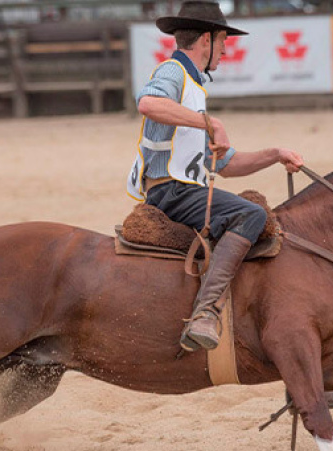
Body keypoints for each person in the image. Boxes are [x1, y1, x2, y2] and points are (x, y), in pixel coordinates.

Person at [127, 1, 304, 353]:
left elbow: (225, 165)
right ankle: (206, 312)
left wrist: (274, 155)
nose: (225, 52)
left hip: (182, 189)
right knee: (250, 214)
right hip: (172, 192)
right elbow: (147, 103)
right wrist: (211, 123)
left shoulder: (193, 89)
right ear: (206, 40)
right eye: (223, 43)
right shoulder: (174, 71)